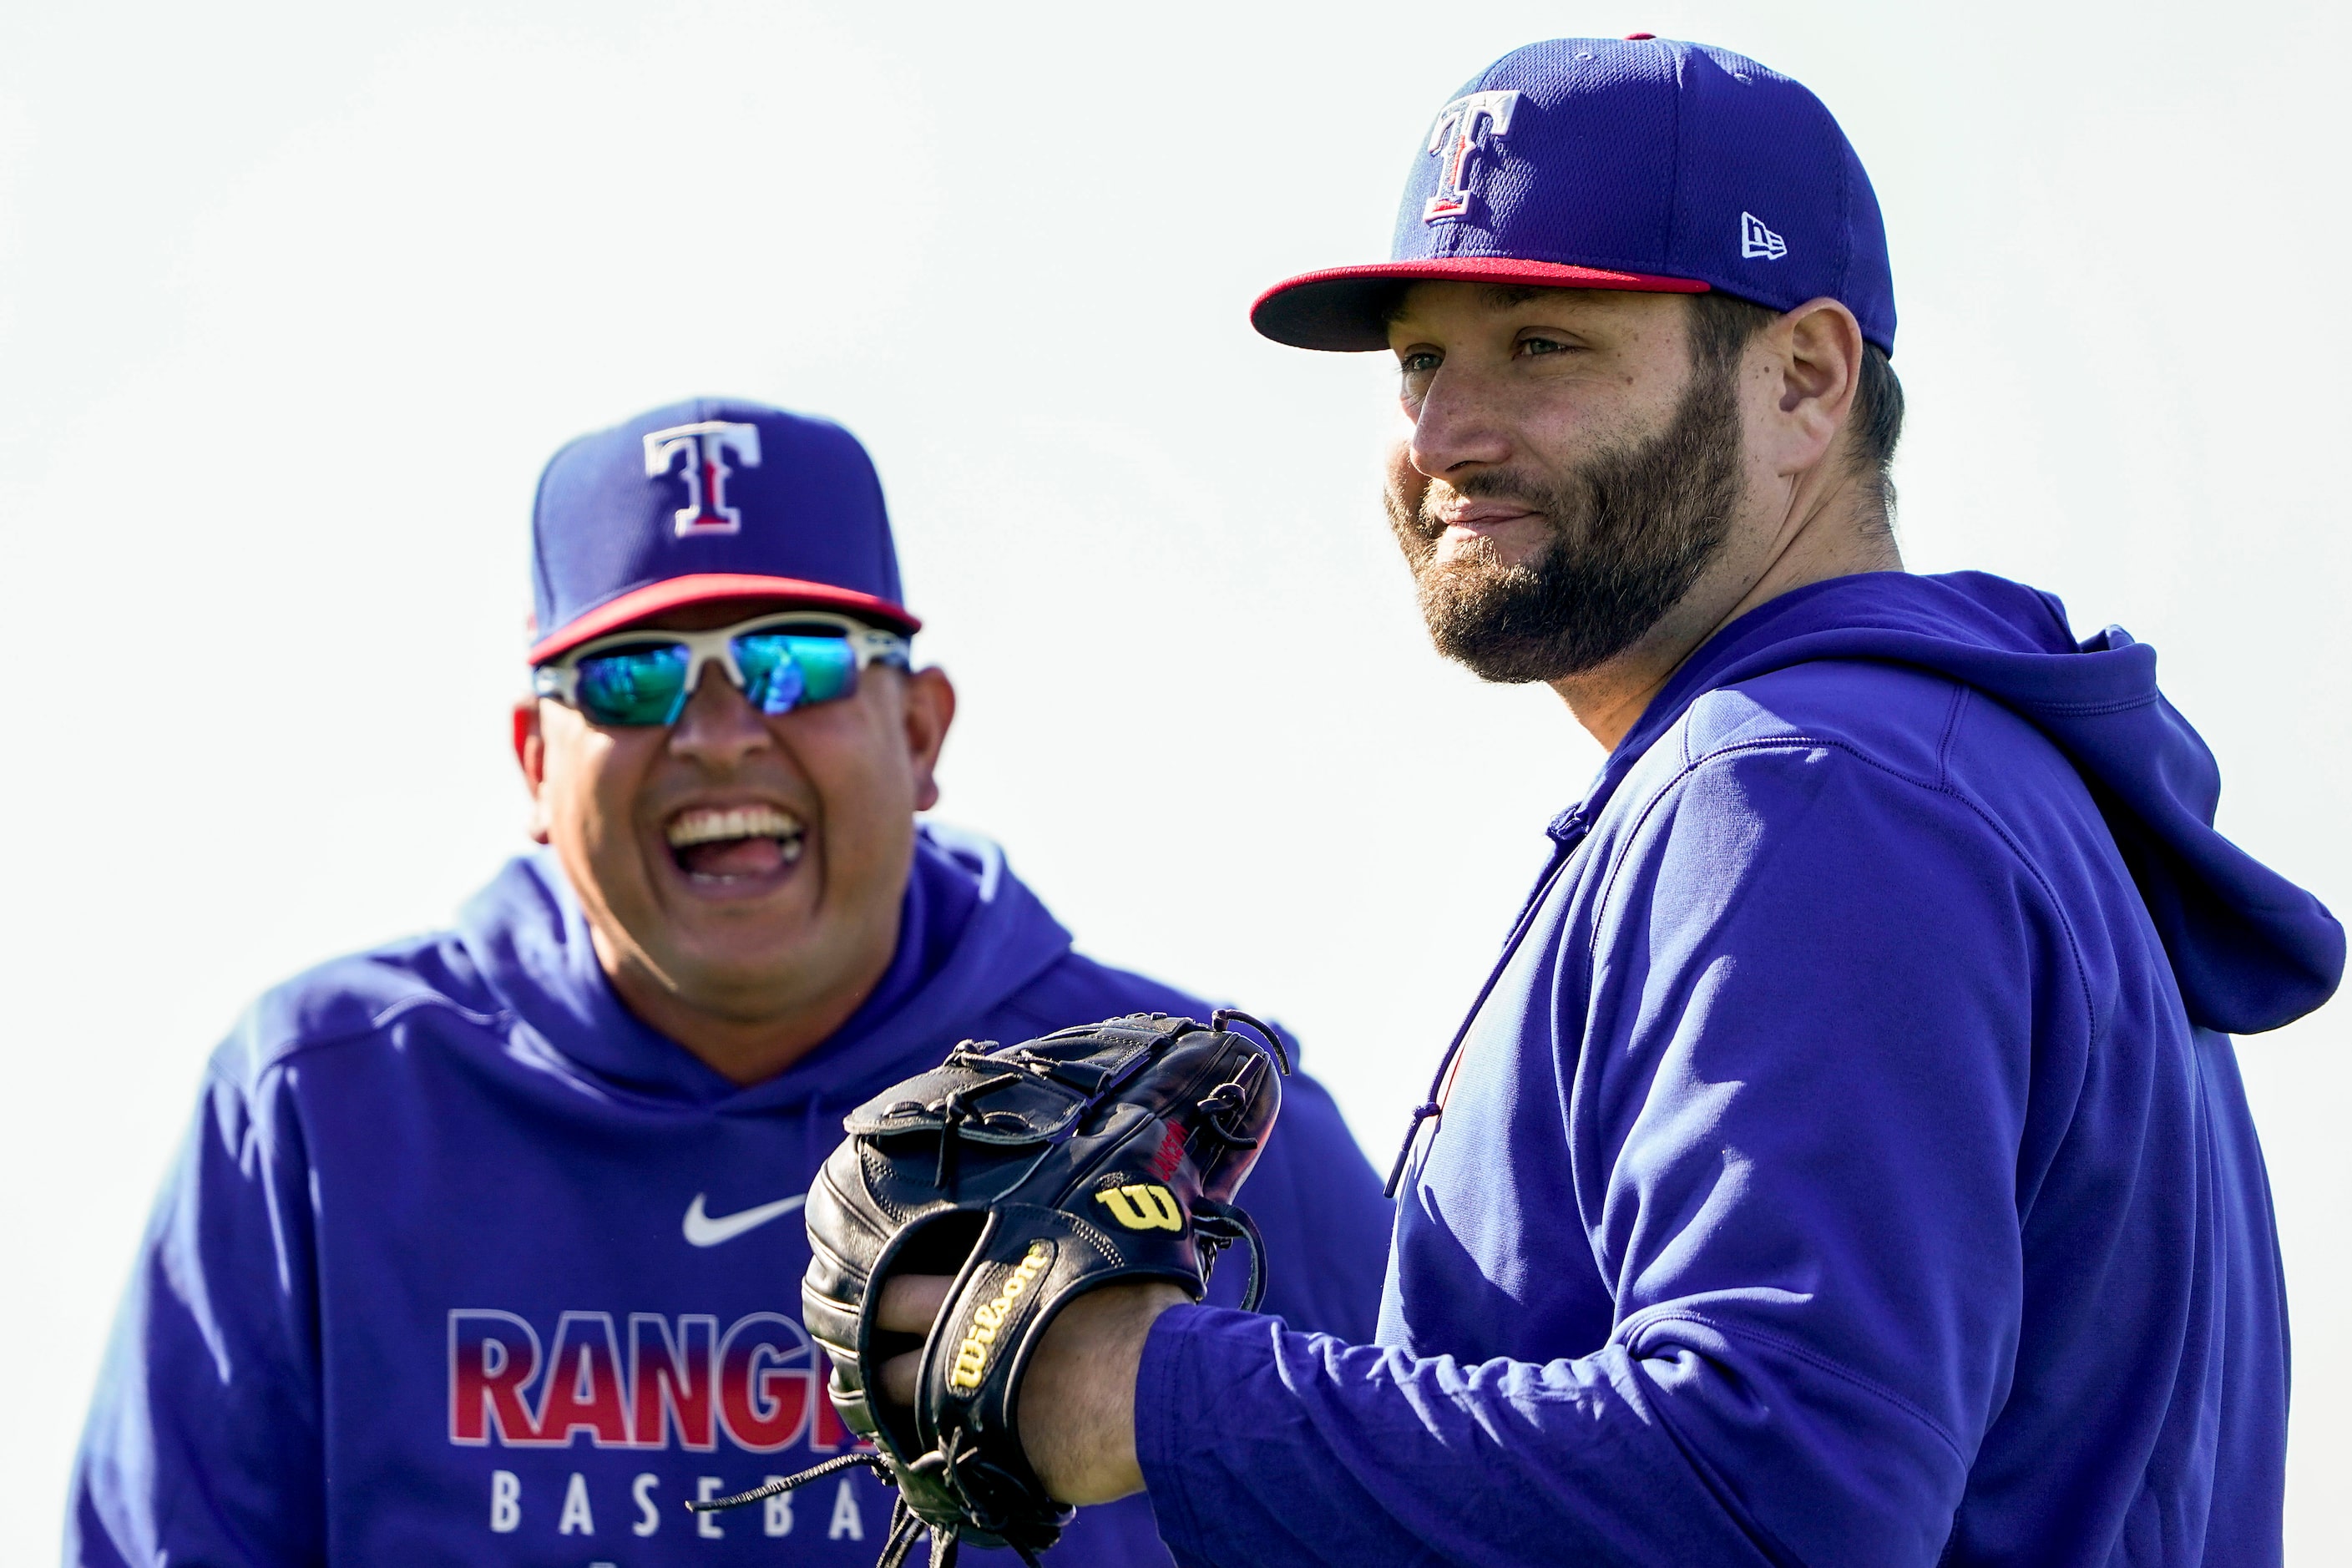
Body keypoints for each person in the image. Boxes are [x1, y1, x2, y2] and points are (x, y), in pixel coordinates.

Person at [878, 38, 2346, 1566]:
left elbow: (1761, 1498)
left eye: (1545, 345)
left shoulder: (1806, 790)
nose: (1447, 435)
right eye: (1422, 359)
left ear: (1802, 379)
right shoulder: (1929, 770)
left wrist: (1143, 1393)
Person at [65, 398, 1393, 1565]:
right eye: (632, 678)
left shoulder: (1198, 1125)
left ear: (920, 731)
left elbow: (1451, 1510)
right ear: (535, 758)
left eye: (795, 660)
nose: (715, 734)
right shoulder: (325, 1103)